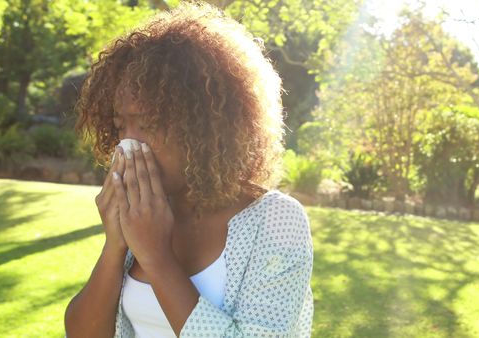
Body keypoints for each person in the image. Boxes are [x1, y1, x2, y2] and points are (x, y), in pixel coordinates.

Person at [64, 2, 314, 337]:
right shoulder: (144, 212)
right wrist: (115, 245)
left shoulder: (276, 221)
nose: (129, 144)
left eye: (149, 123)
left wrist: (157, 257)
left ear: (206, 125)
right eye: (120, 125)